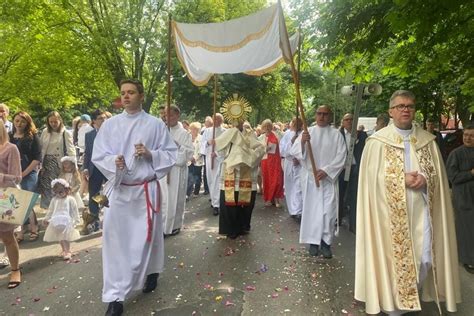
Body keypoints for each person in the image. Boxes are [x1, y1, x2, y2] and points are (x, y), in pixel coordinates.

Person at [355, 90, 461, 315]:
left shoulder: (427, 141)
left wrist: (426, 179)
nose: (406, 110)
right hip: (388, 215)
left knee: (424, 260)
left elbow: (439, 178)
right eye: (401, 106)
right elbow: (370, 181)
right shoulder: (377, 142)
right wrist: (399, 178)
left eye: (410, 106)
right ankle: (395, 304)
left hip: (422, 210)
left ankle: (411, 294)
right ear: (391, 111)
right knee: (392, 260)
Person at [92, 79, 177, 316]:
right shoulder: (110, 125)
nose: (126, 96)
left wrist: (151, 154)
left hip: (144, 190)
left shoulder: (155, 125)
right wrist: (113, 162)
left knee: (146, 239)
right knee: (114, 241)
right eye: (123, 93)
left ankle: (151, 271)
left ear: (141, 95)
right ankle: (115, 296)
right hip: (119, 190)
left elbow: (170, 154)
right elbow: (99, 154)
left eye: (131, 92)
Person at [290, 105, 346, 258]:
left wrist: (326, 170)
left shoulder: (336, 135)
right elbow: (294, 152)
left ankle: (326, 243)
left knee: (328, 212)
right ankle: (313, 243)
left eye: (325, 114)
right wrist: (302, 142)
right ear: (315, 115)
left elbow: (341, 156)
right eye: (319, 113)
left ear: (330, 116)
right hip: (310, 178)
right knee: (312, 212)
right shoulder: (308, 133)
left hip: (328, 180)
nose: (321, 116)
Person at [214, 117, 265, 239]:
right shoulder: (227, 134)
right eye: (234, 120)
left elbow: (260, 148)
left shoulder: (250, 134)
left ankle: (242, 227)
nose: (237, 122)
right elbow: (219, 151)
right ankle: (230, 229)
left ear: (243, 120)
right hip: (230, 172)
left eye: (239, 120)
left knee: (245, 203)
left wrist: (249, 159)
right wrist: (226, 155)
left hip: (246, 172)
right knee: (229, 202)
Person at [160, 105, 193, 236]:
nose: (168, 118)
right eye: (166, 115)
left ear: (178, 116)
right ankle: (162, 226)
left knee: (175, 199)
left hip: (176, 171)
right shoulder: (162, 130)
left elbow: (189, 153)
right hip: (163, 170)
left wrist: (177, 146)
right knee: (163, 199)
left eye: (171, 115)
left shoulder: (184, 133)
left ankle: (175, 225)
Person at [9, 111, 42, 242]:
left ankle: (34, 227)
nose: (19, 124)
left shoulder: (33, 136)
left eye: (22, 121)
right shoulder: (9, 136)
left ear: (27, 123)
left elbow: (37, 158)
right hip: (12, 173)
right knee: (16, 202)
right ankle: (20, 231)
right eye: (17, 121)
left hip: (28, 172)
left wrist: (24, 173)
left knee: (27, 201)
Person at [446, 125, 474, 274]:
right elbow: (453, 177)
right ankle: (468, 260)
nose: (468, 138)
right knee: (466, 230)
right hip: (463, 198)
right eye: (466, 135)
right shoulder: (456, 154)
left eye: (471, 136)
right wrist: (470, 173)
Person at [0, 124, 22, 288]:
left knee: (7, 236)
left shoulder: (11, 148)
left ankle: (15, 269)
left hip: (4, 198)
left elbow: (17, 177)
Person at [38, 111, 76, 209]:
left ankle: (59, 207)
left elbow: (71, 149)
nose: (53, 124)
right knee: (46, 187)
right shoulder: (45, 132)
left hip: (59, 162)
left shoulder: (65, 133)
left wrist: (73, 165)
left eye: (55, 121)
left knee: (59, 186)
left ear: (60, 121)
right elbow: (41, 147)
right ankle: (48, 207)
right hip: (46, 162)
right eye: (51, 122)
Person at [338, 113, 367, 233]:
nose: (349, 121)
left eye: (352, 119)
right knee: (340, 194)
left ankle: (353, 223)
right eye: (347, 120)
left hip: (356, 169)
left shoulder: (362, 135)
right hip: (341, 169)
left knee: (354, 196)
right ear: (343, 122)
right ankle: (338, 219)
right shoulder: (338, 134)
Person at [81, 109, 107, 235]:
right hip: (94, 168)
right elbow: (87, 152)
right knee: (94, 195)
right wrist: (85, 168)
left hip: (108, 168)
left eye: (105, 118)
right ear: (94, 121)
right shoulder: (89, 135)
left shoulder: (111, 133)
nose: (104, 120)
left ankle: (110, 218)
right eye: (101, 118)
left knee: (110, 193)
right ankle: (94, 221)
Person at [42, 178, 80, 260]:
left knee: (66, 237)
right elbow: (51, 210)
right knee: (60, 237)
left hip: (67, 221)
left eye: (60, 192)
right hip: (56, 221)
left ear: (67, 190)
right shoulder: (54, 200)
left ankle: (68, 251)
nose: (58, 194)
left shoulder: (70, 199)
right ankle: (63, 250)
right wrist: (46, 218)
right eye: (56, 193)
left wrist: (76, 220)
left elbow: (74, 210)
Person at [201, 113, 226, 215]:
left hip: (219, 160)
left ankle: (217, 204)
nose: (216, 121)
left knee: (217, 181)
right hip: (209, 159)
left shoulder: (225, 132)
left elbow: (226, 146)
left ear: (221, 121)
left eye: (218, 120)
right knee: (211, 180)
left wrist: (216, 153)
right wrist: (208, 143)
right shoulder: (207, 131)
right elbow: (202, 144)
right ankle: (213, 199)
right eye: (214, 119)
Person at [279, 117, 303, 218]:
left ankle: (298, 210)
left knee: (299, 187)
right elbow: (282, 151)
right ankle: (292, 209)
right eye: (294, 122)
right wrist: (291, 143)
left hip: (301, 165)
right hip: (289, 163)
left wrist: (299, 158)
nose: (295, 124)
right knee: (290, 186)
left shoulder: (304, 134)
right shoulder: (287, 134)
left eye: (298, 123)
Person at [260, 119, 284, 207]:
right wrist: (264, 149)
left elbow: (283, 144)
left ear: (271, 126)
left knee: (277, 180)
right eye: (265, 126)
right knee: (267, 180)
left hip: (275, 161)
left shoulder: (277, 135)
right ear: (263, 127)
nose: (267, 128)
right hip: (265, 161)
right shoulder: (261, 137)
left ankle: (277, 199)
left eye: (269, 126)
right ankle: (269, 198)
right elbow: (257, 149)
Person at [186, 122, 204, 199]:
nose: (193, 131)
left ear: (198, 130)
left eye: (195, 129)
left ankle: (196, 191)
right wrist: (190, 157)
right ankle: (188, 193)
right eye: (192, 129)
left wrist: (195, 158)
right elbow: (186, 148)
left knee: (197, 177)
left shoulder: (201, 138)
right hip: (189, 161)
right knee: (189, 177)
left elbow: (201, 150)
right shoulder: (188, 137)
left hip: (198, 161)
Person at [201, 116, 213, 195]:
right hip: (207, 154)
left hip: (217, 156)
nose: (205, 123)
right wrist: (207, 143)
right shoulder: (204, 131)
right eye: (205, 121)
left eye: (207, 121)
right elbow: (202, 142)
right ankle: (207, 189)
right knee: (206, 172)